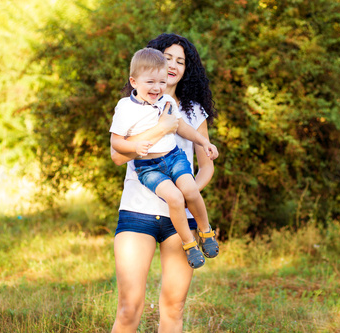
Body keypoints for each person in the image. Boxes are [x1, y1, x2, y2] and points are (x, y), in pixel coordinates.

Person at [110, 33, 218, 332]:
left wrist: (188, 191)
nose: (172, 65)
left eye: (180, 61)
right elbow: (118, 156)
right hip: (137, 213)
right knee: (129, 306)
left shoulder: (194, 111)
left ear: (187, 69)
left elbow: (206, 167)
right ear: (152, 62)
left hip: (180, 219)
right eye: (167, 58)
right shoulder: (130, 107)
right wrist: (160, 129)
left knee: (174, 307)